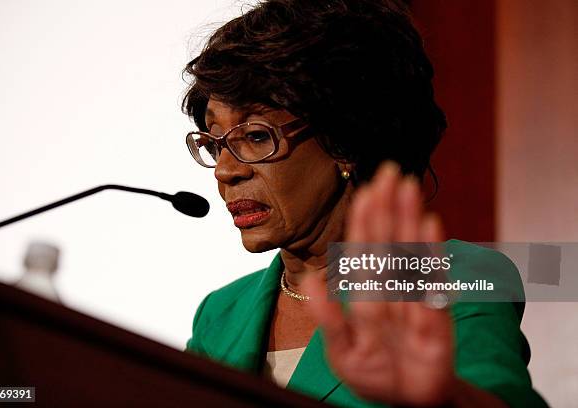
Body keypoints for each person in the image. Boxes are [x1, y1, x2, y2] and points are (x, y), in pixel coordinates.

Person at [181, 0, 548, 406]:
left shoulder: (455, 278)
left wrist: (440, 397)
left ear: (345, 141)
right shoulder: (220, 315)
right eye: (215, 143)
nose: (225, 171)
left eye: (255, 136)